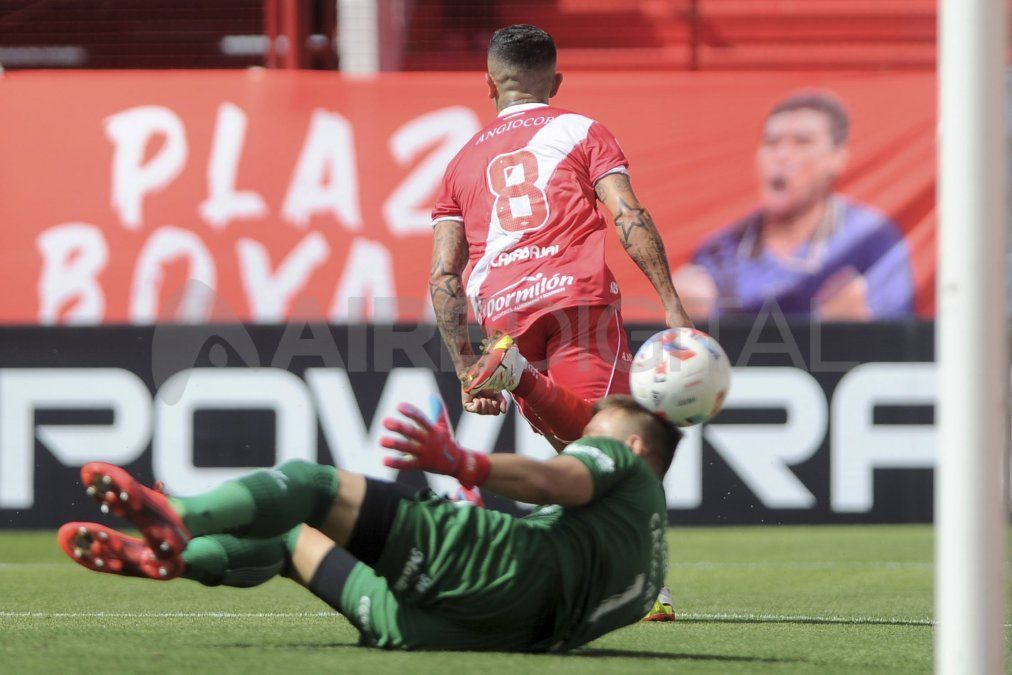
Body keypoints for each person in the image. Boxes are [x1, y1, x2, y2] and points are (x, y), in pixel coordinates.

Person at [58, 395, 681, 651]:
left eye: (590, 440)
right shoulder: (645, 572)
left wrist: (461, 462)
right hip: (454, 632)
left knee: (310, 486)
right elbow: (561, 531)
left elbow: (553, 480)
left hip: (498, 570)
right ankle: (169, 558)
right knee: (287, 540)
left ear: (633, 445)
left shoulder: (626, 460)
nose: (574, 446)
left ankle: (182, 517)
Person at [429, 24, 691, 450]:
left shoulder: (459, 164)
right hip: (575, 298)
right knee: (617, 452)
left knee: (576, 455)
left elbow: (443, 277)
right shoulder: (581, 131)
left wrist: (466, 370)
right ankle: (521, 377)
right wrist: (671, 303)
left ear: (489, 84)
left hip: (504, 315)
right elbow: (629, 214)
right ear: (555, 82)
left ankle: (521, 375)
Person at [675, 90, 915, 321]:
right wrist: (690, 325)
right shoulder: (719, 252)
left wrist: (859, 330)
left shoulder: (871, 240)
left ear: (837, 158)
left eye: (802, 142)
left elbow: (905, 350)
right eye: (771, 143)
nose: (782, 155)